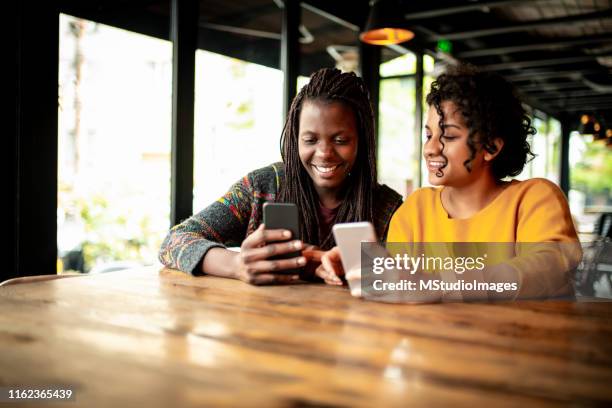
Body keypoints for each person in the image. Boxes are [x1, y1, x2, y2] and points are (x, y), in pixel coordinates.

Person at [320, 64, 582, 300]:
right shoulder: (416, 208)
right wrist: (366, 267)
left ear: (490, 147)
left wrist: (438, 283)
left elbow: (549, 268)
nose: (431, 148)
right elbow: (402, 284)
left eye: (449, 136)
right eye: (428, 134)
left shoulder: (534, 198)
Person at [158, 68, 402, 285]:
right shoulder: (261, 187)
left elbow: (423, 275)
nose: (325, 153)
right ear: (295, 139)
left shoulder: (388, 208)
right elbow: (174, 241)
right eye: (310, 140)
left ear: (362, 141)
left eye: (340, 140)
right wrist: (237, 265)